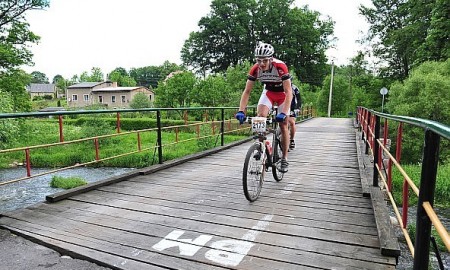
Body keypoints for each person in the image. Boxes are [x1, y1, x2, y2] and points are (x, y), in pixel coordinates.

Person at [235, 42, 293, 173]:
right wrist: (240, 110)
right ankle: (260, 147)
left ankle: (284, 158)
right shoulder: (255, 69)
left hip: (283, 94)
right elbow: (247, 91)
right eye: (258, 60)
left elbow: (289, 92)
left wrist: (283, 113)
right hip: (268, 93)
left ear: (271, 59)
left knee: (284, 124)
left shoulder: (280, 67)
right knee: (260, 117)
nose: (261, 64)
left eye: (265, 61)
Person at [288, 82, 301, 150]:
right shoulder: (279, 86)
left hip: (292, 108)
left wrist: (298, 108)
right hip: (283, 106)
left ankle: (292, 140)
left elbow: (299, 99)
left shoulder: (294, 88)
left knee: (292, 122)